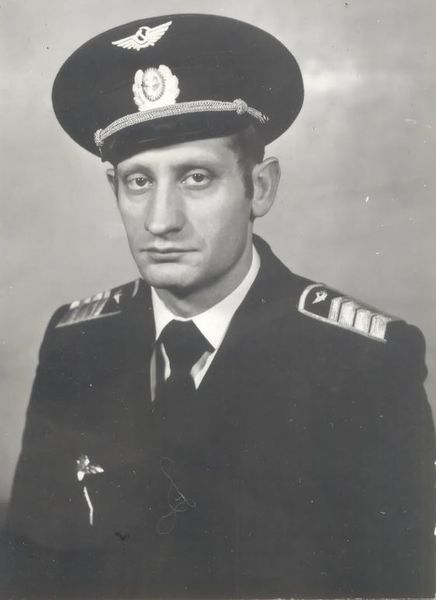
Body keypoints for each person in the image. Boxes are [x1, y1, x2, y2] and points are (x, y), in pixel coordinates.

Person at [1, 13, 434, 600]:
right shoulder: (76, 342)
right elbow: (32, 567)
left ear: (261, 188)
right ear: (113, 188)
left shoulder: (361, 363)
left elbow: (399, 583)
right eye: (138, 182)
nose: (161, 221)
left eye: (197, 178)